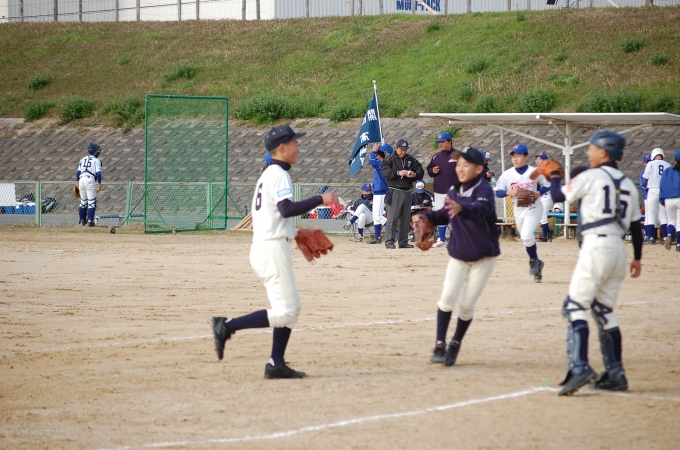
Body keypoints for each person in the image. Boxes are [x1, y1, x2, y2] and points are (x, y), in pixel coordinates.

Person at [212, 125, 339, 379]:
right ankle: (226, 326)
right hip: (271, 250)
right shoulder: (278, 174)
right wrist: (320, 199)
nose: (298, 147)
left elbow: (273, 216)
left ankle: (276, 363)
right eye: (295, 143)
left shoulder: (269, 174)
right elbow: (285, 208)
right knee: (285, 311)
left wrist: (296, 232)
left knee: (290, 307)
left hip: (268, 247)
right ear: (282, 147)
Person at [544, 129, 643, 396]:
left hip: (597, 246)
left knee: (574, 306)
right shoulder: (628, 183)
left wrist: (554, 176)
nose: (588, 152)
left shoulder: (591, 176)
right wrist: (638, 257)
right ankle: (616, 373)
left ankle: (579, 367)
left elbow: (558, 197)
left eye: (591, 147)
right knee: (604, 310)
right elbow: (636, 226)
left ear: (603, 152)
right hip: (618, 249)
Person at [413, 147, 500, 367]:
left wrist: (463, 208)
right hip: (459, 253)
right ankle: (439, 344)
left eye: (466, 164)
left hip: (483, 256)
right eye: (458, 164)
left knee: (467, 305)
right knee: (447, 298)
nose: (460, 168)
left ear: (479, 169)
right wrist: (426, 215)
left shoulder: (484, 189)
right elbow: (445, 214)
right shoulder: (454, 189)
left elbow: (481, 210)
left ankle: (455, 343)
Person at [494, 143, 550, 282]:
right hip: (517, 208)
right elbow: (498, 192)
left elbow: (548, 185)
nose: (515, 158)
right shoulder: (507, 175)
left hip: (533, 207)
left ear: (526, 157)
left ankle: (534, 261)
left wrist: (538, 193)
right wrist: (509, 192)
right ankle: (536, 262)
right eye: (513, 156)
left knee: (526, 235)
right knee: (526, 238)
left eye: (518, 156)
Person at [382, 139, 425, 249]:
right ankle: (389, 241)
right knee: (393, 218)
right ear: (396, 148)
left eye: (405, 150)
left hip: (407, 191)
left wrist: (414, 174)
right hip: (394, 190)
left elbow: (421, 170)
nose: (403, 152)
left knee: (406, 218)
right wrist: (398, 173)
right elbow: (386, 173)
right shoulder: (389, 159)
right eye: (401, 150)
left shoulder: (410, 159)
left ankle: (403, 242)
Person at [426, 132, 458, 248]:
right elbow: (429, 170)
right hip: (439, 190)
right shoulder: (436, 156)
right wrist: (432, 171)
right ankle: (442, 239)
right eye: (439, 142)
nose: (440, 144)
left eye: (443, 142)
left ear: (450, 141)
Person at [642, 148, 670, 244]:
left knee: (651, 214)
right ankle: (665, 237)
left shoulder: (650, 164)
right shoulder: (667, 164)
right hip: (663, 191)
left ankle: (651, 237)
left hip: (652, 189)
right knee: (663, 215)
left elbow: (644, 178)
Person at [366, 143, 392, 244]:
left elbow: (371, 160)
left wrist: (374, 150)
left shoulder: (382, 163)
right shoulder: (385, 163)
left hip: (381, 192)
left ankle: (395, 231)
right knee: (376, 216)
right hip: (379, 192)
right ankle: (377, 237)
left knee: (377, 216)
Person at [76, 142, 102, 227]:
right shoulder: (97, 160)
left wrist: (77, 182)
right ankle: (90, 221)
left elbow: (78, 172)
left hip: (81, 179)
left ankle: (82, 220)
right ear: (96, 151)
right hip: (90, 180)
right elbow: (98, 173)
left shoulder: (82, 159)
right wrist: (99, 184)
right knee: (91, 202)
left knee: (83, 201)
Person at [659, 150, 680, 251]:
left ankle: (669, 235)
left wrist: (662, 199)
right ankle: (679, 244)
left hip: (668, 198)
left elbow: (662, 185)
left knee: (671, 220)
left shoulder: (667, 170)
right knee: (679, 222)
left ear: (674, 159)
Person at [535, 152, 553, 242]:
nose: (538, 161)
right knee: (538, 217)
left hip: (547, 196)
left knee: (543, 216)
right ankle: (549, 232)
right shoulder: (535, 170)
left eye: (540, 159)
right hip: (539, 196)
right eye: (537, 159)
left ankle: (545, 236)